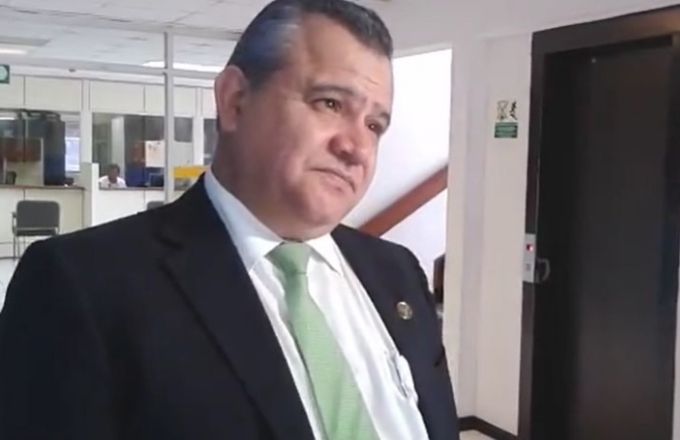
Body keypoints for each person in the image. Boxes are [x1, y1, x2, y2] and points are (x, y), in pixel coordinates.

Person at [0, 1, 459, 439]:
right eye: (330, 104)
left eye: (375, 125)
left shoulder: (397, 273)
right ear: (235, 100)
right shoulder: (81, 286)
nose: (356, 148)